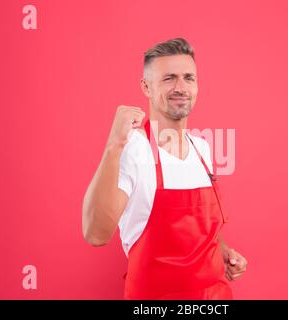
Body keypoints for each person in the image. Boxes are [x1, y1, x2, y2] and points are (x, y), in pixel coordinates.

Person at [82, 38, 247, 299]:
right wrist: (114, 144)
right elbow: (95, 233)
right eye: (169, 78)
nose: (180, 87)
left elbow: (203, 228)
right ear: (146, 87)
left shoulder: (202, 148)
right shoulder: (133, 150)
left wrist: (222, 251)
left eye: (188, 78)